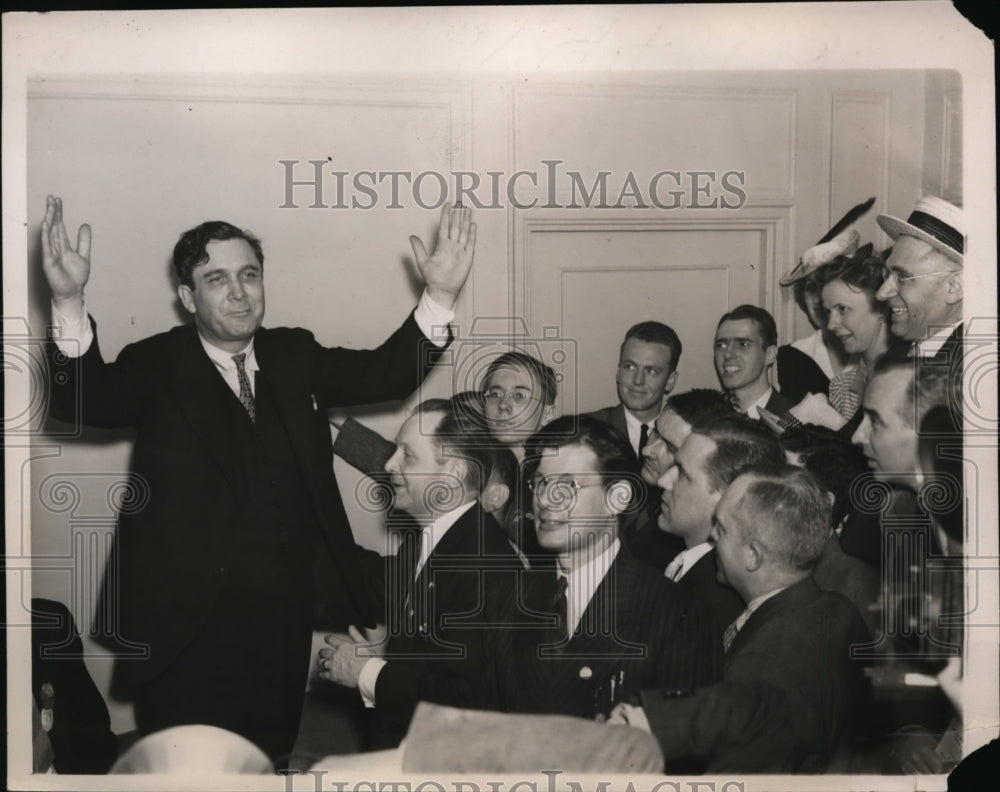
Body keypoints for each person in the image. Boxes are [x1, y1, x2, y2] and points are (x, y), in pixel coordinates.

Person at [41, 195, 475, 760]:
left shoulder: (294, 353)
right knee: (188, 765)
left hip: (280, 622)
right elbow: (83, 401)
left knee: (268, 756)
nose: (239, 292)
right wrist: (68, 300)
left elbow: (384, 373)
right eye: (216, 279)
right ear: (188, 297)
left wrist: (439, 295)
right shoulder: (160, 363)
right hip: (182, 631)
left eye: (249, 274)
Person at [611, 463, 872, 773]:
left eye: (721, 529)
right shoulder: (837, 608)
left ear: (753, 556)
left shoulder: (762, 665)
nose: (711, 536)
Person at [317, 400, 520, 749]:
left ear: (453, 473)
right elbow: (363, 580)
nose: (389, 464)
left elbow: (467, 697)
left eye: (407, 456)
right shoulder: (437, 542)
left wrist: (366, 672)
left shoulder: (486, 564)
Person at [492, 416, 719, 721]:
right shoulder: (507, 597)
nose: (545, 499)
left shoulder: (675, 614)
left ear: (617, 498)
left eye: (568, 485)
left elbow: (681, 739)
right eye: (541, 482)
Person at [656, 413, 783, 645]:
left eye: (683, 474)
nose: (663, 481)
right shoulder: (675, 557)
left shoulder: (716, 606)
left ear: (729, 496)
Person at [629, 388, 734, 571]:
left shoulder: (683, 536)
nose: (647, 450)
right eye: (655, 433)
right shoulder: (650, 500)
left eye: (670, 448)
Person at [875, 195, 964, 365]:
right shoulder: (893, 357)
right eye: (886, 274)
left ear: (955, 286)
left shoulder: (978, 368)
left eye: (902, 276)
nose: (881, 293)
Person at [587, 321, 682, 463]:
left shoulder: (682, 441)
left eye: (651, 371)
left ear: (670, 381)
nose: (638, 380)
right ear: (618, 372)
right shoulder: (586, 430)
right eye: (629, 367)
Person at [714, 305, 793, 418]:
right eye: (721, 345)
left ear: (770, 355)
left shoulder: (795, 421)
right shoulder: (707, 417)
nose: (727, 354)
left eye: (743, 344)